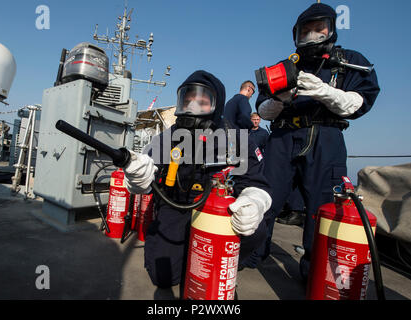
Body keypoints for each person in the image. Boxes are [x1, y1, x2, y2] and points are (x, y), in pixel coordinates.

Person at [244, 3, 380, 280]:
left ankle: (314, 271)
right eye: (306, 30)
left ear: (331, 29)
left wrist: (324, 91)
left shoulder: (350, 61)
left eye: (319, 29)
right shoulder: (284, 67)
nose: (312, 34)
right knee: (265, 196)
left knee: (322, 207)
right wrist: (280, 99)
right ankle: (253, 253)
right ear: (296, 34)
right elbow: (262, 108)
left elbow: (360, 102)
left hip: (325, 138)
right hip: (282, 137)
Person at [121, 70, 272, 298]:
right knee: (163, 276)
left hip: (220, 213)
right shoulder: (167, 138)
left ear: (216, 105)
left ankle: (227, 265)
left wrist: (254, 201)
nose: (192, 105)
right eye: (187, 99)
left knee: (255, 228)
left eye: (201, 100)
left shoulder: (235, 140)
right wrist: (137, 176)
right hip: (177, 205)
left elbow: (257, 182)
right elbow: (145, 168)